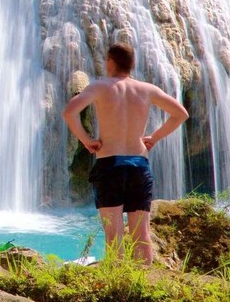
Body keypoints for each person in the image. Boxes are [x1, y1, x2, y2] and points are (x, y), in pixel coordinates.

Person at [61, 42, 189, 265]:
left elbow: (69, 112)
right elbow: (180, 114)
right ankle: (145, 286)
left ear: (110, 62)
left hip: (110, 165)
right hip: (139, 165)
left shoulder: (100, 87)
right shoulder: (147, 89)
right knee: (142, 235)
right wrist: (154, 138)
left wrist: (87, 141)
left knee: (114, 236)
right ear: (132, 64)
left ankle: (117, 285)